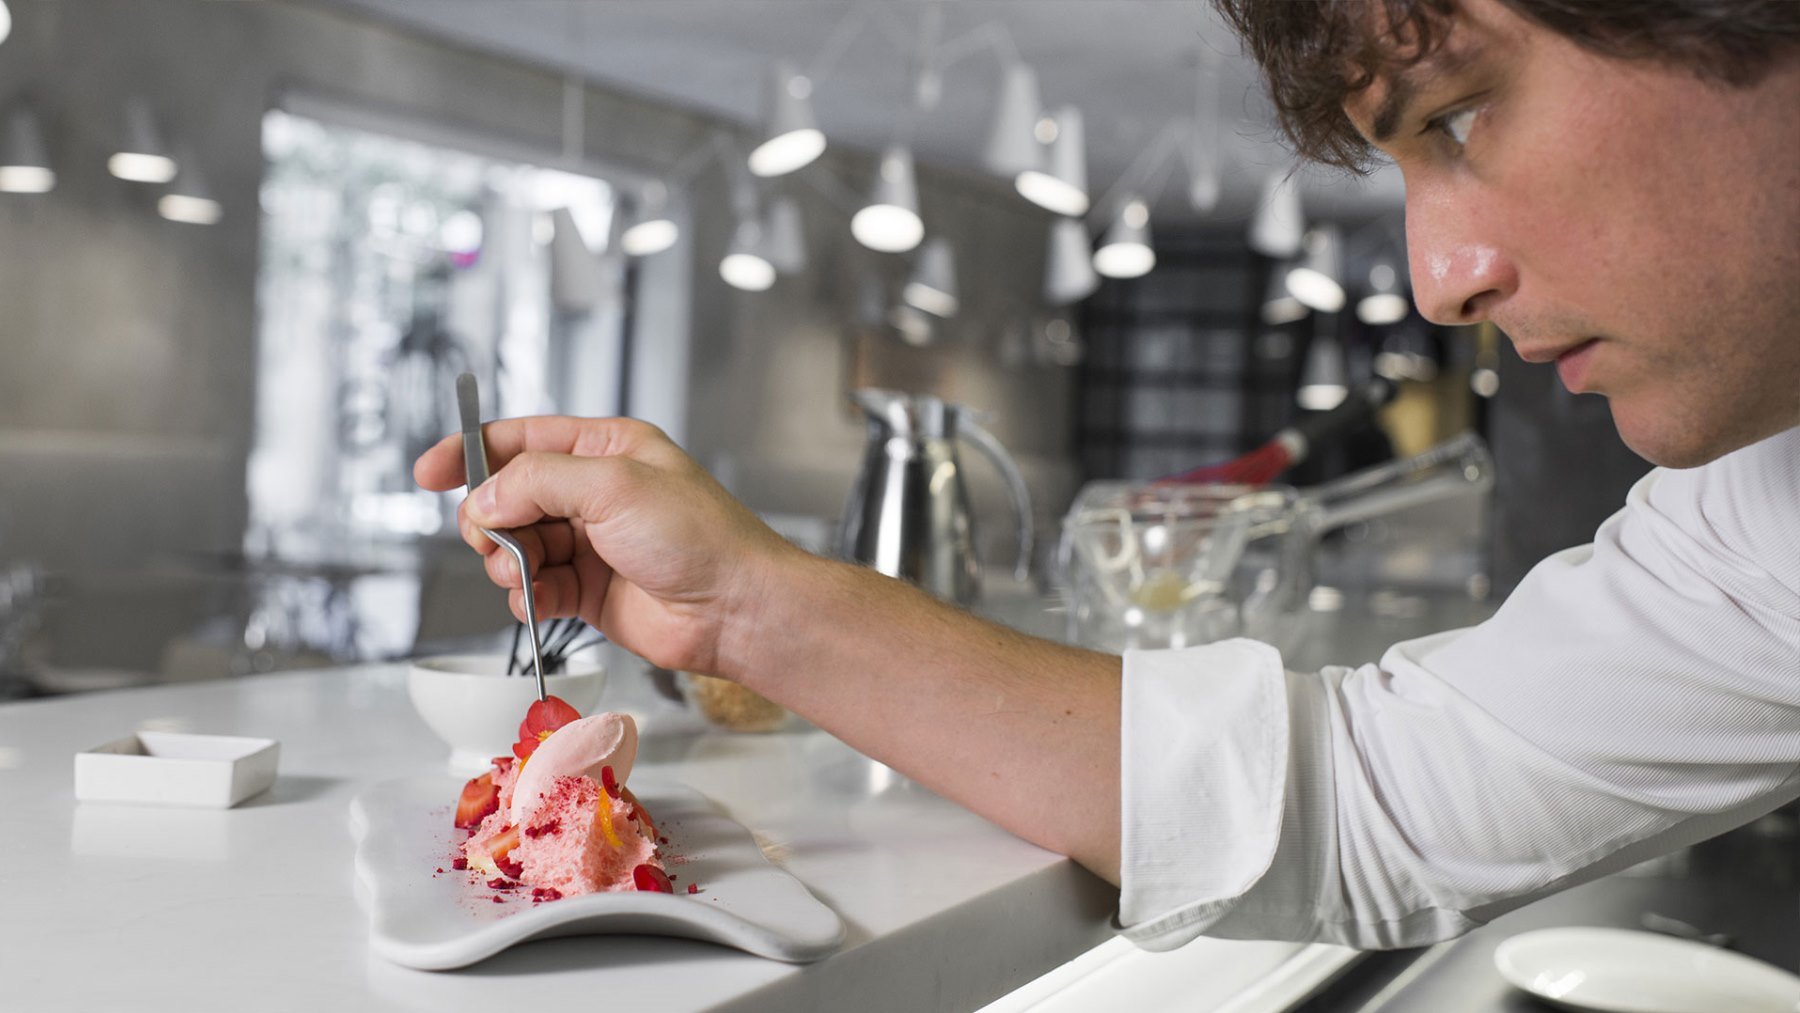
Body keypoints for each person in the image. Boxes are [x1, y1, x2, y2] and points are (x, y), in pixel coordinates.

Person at [415, 0, 1800, 949]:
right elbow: (1373, 794)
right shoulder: (1762, 518)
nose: (1440, 281)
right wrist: (739, 611)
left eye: (1457, 117)